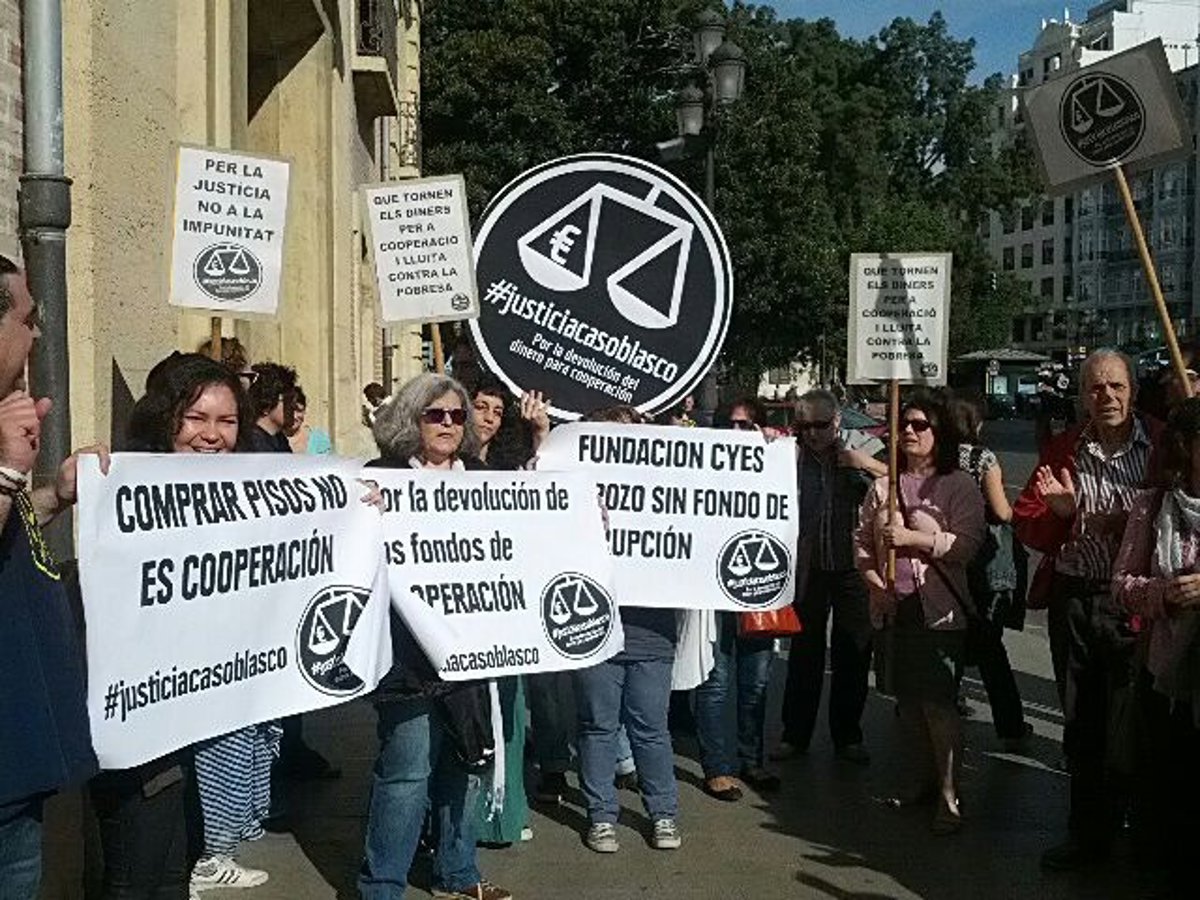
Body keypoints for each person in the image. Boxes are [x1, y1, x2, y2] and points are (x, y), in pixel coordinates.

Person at [102, 352, 252, 898]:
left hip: (196, 725)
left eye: (227, 421)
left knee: (175, 872)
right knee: (136, 876)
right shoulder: (119, 486)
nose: (212, 435)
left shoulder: (244, 495)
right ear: (165, 417)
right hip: (140, 728)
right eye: (196, 418)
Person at [358, 373, 510, 900]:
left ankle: (457, 873)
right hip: (408, 656)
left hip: (472, 652)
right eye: (435, 414)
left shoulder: (487, 479)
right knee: (406, 770)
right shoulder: (381, 477)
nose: (448, 424)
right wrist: (364, 510)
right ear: (411, 419)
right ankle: (382, 887)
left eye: (457, 415)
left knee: (465, 761)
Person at [1013, 349, 1158, 870]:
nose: (1107, 396)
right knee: (1081, 720)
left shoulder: (1161, 444)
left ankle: (1139, 830)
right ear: (1082, 396)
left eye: (1117, 386)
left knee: (1135, 722)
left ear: (1133, 392)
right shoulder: (1065, 448)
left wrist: (1127, 523)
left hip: (1139, 603)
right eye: (1096, 388)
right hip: (1075, 598)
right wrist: (1064, 515)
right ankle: (1087, 834)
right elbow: (1027, 523)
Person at [0, 256, 105, 899]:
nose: (38, 333)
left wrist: (53, 495)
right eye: (27, 317)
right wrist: (9, 470)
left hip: (22, 755)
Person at [855, 390, 984, 835]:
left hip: (938, 613)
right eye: (903, 425)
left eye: (920, 425)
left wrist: (914, 539)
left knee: (938, 705)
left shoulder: (958, 485)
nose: (909, 431)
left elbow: (967, 546)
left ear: (939, 432)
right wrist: (875, 584)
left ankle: (949, 793)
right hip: (893, 612)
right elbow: (862, 543)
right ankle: (922, 780)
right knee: (907, 704)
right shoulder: (883, 486)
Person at [573, 405, 682, 854]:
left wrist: (766, 448)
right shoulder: (576, 491)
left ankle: (663, 813)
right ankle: (601, 816)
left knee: (651, 727)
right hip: (595, 626)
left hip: (650, 632)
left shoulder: (668, 487)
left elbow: (724, 490)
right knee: (598, 726)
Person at [1111, 396, 1200, 896]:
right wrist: (1163, 594)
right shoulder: (1152, 507)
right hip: (1168, 678)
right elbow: (1121, 586)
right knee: (1175, 791)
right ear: (1186, 447)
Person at [776, 390, 880, 766]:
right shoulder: (792, 453)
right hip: (810, 567)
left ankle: (848, 736)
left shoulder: (864, 446)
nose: (812, 434)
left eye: (820, 425)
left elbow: (903, 481)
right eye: (804, 426)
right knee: (804, 655)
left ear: (836, 421)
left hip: (854, 567)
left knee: (852, 653)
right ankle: (795, 735)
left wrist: (864, 464)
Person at [466, 378, 548, 846]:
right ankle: (462, 821)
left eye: (497, 411)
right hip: (460, 616)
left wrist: (540, 432)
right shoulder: (442, 467)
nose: (488, 418)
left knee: (508, 714)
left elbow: (545, 492)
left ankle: (505, 814)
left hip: (504, 611)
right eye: (480, 406)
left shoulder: (508, 469)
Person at [693, 398, 778, 801]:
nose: (737, 432)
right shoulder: (702, 468)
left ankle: (751, 760)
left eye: (746, 425)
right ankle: (716, 768)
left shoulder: (774, 464)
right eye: (730, 424)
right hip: (712, 591)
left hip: (757, 589)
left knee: (755, 683)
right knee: (715, 682)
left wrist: (775, 449)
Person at [949, 396, 1031, 751]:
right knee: (989, 646)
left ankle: (943, 703)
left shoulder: (935, 456)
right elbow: (1001, 511)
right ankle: (1010, 725)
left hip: (945, 556)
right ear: (976, 424)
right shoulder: (982, 459)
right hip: (982, 559)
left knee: (947, 636)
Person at [246, 363, 297, 453]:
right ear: (266, 406)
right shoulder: (252, 446)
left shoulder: (279, 439)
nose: (293, 406)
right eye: (288, 400)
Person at [285, 387, 333, 455]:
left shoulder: (319, 441)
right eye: (289, 410)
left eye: (299, 411)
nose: (294, 416)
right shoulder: (273, 441)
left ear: (304, 411)